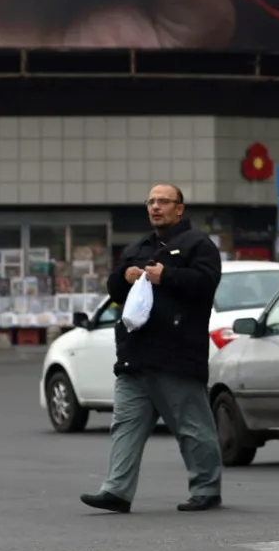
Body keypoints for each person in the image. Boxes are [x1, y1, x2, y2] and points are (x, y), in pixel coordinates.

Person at [81, 184, 224, 514]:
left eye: (163, 201)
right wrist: (125, 276)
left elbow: (205, 285)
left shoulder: (197, 245)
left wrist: (167, 277)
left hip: (176, 354)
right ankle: (116, 490)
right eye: (151, 201)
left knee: (192, 427)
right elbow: (115, 290)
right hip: (135, 356)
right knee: (125, 426)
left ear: (179, 209)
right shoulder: (138, 247)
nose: (156, 207)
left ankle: (206, 488)